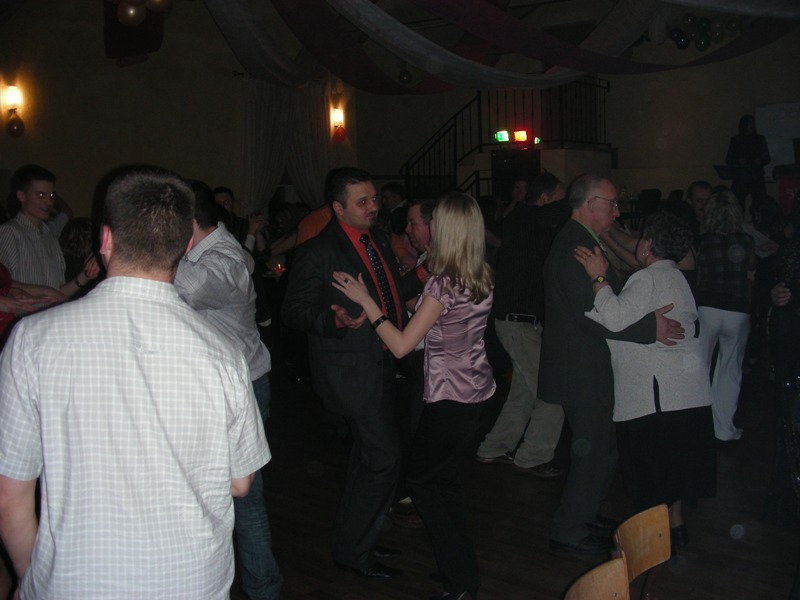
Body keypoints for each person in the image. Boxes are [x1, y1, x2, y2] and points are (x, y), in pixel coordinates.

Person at [0, 167, 270, 599]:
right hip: (192, 582)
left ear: (105, 240)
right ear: (186, 247)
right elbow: (241, 483)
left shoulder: (33, 340)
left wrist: (29, 575)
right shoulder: (224, 353)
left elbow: (9, 493)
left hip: (75, 582)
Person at [332, 191, 494, 600]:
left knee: (423, 483)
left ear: (448, 228)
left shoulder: (443, 282)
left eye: (435, 220)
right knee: (443, 481)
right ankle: (460, 572)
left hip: (450, 396)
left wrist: (367, 302)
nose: (429, 225)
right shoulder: (479, 271)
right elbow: (439, 320)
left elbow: (402, 345)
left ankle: (461, 582)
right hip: (475, 391)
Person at [281, 167, 425, 579]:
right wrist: (335, 319)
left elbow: (389, 293)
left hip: (383, 364)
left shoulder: (376, 239)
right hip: (351, 371)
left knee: (369, 459)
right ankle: (355, 552)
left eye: (374, 198)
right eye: (362, 202)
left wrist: (423, 274)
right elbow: (292, 311)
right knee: (384, 459)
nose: (373, 206)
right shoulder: (318, 251)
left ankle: (355, 544)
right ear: (338, 207)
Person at [539, 174, 684, 555]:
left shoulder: (584, 240)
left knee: (603, 448)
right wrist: (650, 328)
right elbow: (590, 314)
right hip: (581, 368)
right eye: (613, 203)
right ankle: (568, 529)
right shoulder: (575, 245)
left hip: (589, 365)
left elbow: (606, 303)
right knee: (592, 450)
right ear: (591, 204)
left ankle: (584, 515)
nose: (617, 211)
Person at [575, 211, 716, 547]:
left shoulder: (648, 278)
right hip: (685, 393)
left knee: (651, 477)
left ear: (647, 245)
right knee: (673, 471)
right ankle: (675, 528)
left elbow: (614, 318)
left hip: (656, 397)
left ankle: (653, 546)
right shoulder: (678, 277)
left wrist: (598, 277)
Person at [173, 181, 282, 600]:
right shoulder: (211, 252)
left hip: (242, 389)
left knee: (245, 499)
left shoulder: (223, 259)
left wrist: (142, 246)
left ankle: (263, 590)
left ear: (186, 220)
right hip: (221, 387)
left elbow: (193, 287)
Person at [476, 172, 569, 477]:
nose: (562, 207)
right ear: (543, 200)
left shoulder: (532, 227)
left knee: (524, 393)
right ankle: (532, 456)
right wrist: (582, 198)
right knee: (553, 391)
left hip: (521, 324)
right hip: (517, 324)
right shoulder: (523, 217)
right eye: (558, 200)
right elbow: (563, 211)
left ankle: (494, 447)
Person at [696, 190, 755, 441]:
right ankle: (723, 429)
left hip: (708, 306)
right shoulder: (746, 240)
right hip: (737, 308)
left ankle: (697, 425)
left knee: (700, 368)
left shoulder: (704, 241)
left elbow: (700, 275)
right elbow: (751, 268)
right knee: (730, 370)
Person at [0, 165, 99, 296]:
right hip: (24, 310)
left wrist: (86, 275)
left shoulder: (50, 236)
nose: (49, 201)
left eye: (51, 195)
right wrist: (44, 291)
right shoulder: (9, 232)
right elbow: (3, 284)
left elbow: (58, 294)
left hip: (52, 309)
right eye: (41, 195)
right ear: (22, 196)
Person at [726, 114, 770, 212]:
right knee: (737, 205)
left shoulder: (760, 139)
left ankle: (757, 220)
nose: (752, 125)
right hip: (741, 175)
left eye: (753, 123)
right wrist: (739, 161)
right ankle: (737, 220)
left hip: (756, 175)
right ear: (744, 124)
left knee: (759, 204)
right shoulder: (736, 140)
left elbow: (766, 157)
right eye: (750, 123)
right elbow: (729, 159)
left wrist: (760, 161)